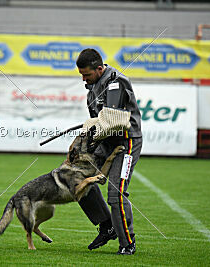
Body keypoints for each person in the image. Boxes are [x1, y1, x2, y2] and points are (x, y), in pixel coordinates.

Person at [76, 48, 142, 255]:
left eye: (86, 74)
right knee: (76, 180)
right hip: (106, 143)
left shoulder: (116, 82)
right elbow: (98, 122)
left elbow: (113, 121)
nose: (84, 79)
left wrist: (92, 129)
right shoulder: (91, 90)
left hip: (126, 143)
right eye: (81, 75)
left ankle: (127, 243)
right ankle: (107, 225)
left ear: (99, 68)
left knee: (116, 194)